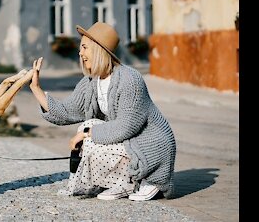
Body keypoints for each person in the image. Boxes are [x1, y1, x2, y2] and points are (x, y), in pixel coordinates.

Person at [29, 22, 176, 201]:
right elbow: (67, 111)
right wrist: (36, 88)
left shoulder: (130, 80)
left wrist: (85, 135)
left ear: (99, 50)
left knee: (88, 133)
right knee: (88, 125)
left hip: (150, 145)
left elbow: (126, 127)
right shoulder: (91, 82)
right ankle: (122, 183)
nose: (80, 53)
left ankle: (148, 179)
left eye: (84, 47)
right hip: (128, 142)